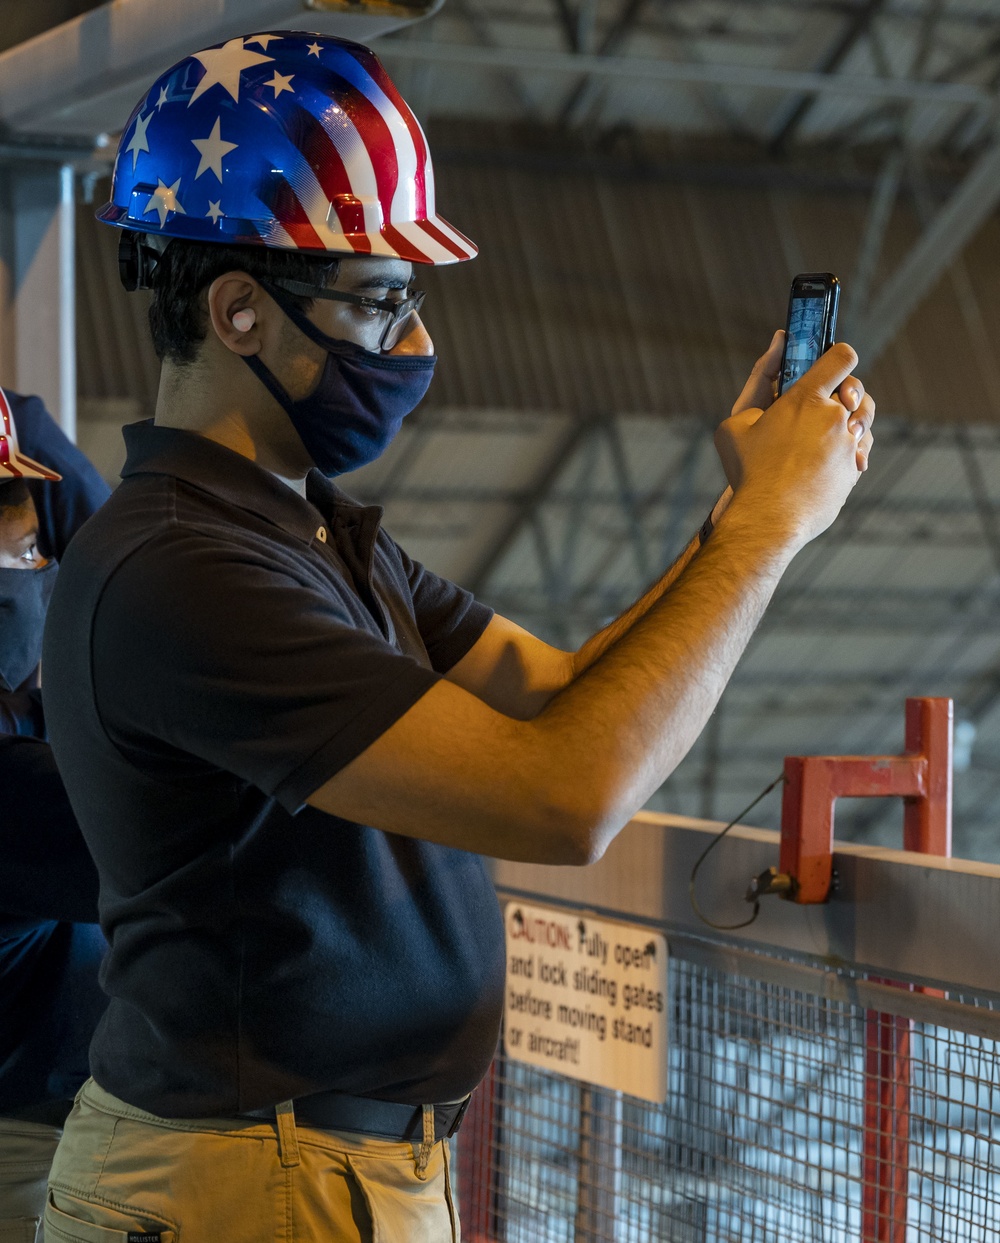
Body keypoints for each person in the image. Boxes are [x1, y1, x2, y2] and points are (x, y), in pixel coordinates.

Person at [41, 30, 876, 1243]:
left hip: (317, 1169)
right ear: (237, 313)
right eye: (379, 303)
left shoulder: (303, 531)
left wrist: (736, 511)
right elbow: (565, 796)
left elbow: (561, 691)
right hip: (247, 1182)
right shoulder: (186, 571)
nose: (413, 343)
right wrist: (765, 532)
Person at [0, 388, 110, 1242]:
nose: (29, 578)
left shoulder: (30, 712)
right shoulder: (16, 775)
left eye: (33, 550)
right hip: (20, 1136)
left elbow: (113, 545)